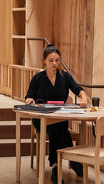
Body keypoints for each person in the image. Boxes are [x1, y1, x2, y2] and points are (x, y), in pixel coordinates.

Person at [25, 44, 88, 184]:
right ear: (44, 61)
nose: (55, 64)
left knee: (59, 126)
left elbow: (78, 88)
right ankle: (71, 162)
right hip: (42, 118)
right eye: (51, 60)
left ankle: (55, 167)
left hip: (60, 116)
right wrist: (31, 101)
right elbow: (28, 97)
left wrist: (83, 97)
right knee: (58, 128)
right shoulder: (37, 78)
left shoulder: (64, 77)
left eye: (57, 60)